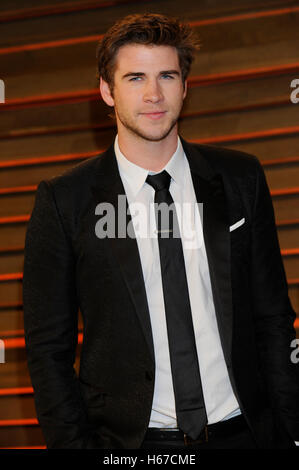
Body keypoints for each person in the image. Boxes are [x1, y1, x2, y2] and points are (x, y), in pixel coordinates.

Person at [23, 13, 299, 449]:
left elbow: (273, 318)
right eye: (135, 78)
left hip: (244, 432)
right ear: (106, 91)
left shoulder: (240, 178)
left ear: (185, 86)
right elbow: (47, 350)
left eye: (167, 75)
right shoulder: (64, 202)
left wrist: (290, 431)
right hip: (132, 444)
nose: (153, 94)